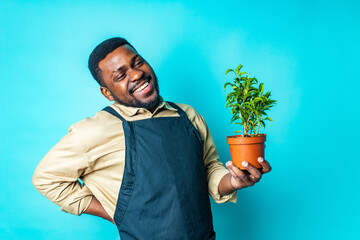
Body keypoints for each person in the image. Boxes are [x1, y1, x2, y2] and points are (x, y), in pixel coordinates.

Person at [32, 37, 271, 240]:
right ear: (107, 92)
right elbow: (45, 179)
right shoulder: (92, 132)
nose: (136, 74)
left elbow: (209, 169)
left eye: (137, 62)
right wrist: (114, 212)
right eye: (120, 75)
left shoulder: (188, 115)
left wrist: (234, 181)